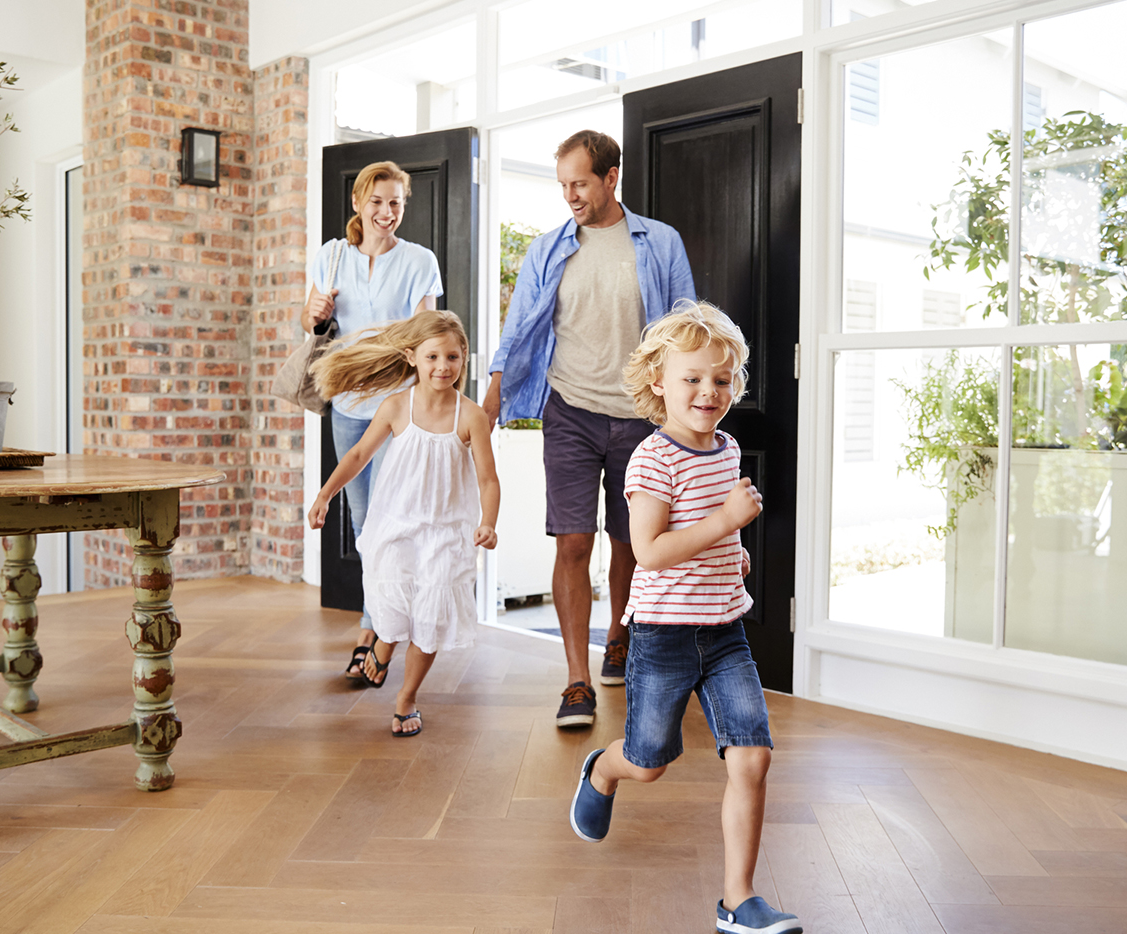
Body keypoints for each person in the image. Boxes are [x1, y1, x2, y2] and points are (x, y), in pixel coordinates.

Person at [568, 302, 801, 934]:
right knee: (650, 761)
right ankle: (604, 768)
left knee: (752, 757)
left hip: (725, 635)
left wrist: (735, 553)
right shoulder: (652, 460)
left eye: (721, 380)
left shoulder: (726, 448)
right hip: (663, 638)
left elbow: (705, 536)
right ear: (658, 384)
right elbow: (650, 550)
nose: (708, 392)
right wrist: (725, 523)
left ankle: (738, 899)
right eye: (692, 378)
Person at [484, 129, 696, 728]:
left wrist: (689, 408)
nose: (570, 196)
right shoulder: (548, 248)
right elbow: (519, 326)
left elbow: (685, 327)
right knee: (573, 541)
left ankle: (619, 639)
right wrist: (493, 397)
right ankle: (576, 680)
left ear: (611, 177)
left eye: (580, 183)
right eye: (563, 185)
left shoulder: (659, 243)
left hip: (640, 418)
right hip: (570, 410)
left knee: (631, 542)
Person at [307, 311, 500, 735]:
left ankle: (406, 698)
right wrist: (325, 493)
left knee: (429, 620)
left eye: (452, 356)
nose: (443, 367)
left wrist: (488, 522)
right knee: (392, 602)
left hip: (447, 532)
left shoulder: (470, 417)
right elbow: (358, 455)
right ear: (412, 357)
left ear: (464, 356)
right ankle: (382, 644)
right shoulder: (396, 406)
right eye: (432, 357)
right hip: (396, 525)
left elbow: (488, 478)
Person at [301, 161, 444, 684]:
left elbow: (427, 333)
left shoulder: (419, 261)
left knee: (392, 521)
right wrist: (315, 310)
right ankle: (380, 619)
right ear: (359, 201)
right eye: (378, 202)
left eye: (396, 204)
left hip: (395, 408)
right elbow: (310, 323)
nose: (387, 213)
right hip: (346, 405)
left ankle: (374, 629)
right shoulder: (330, 255)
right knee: (365, 526)